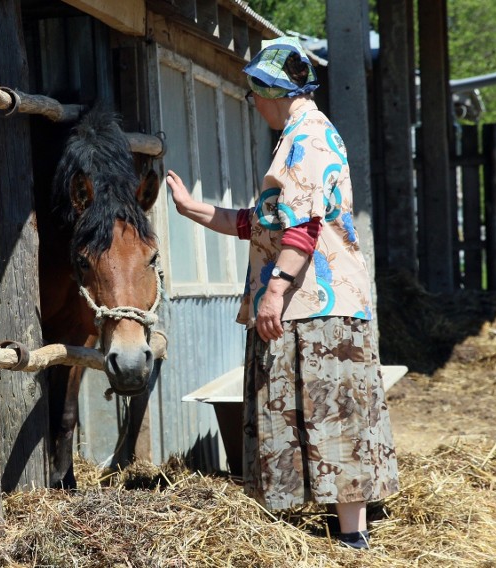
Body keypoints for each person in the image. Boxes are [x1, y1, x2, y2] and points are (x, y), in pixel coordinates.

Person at [165, 36, 399, 550]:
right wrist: (193, 210)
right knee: (310, 411)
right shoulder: (297, 136)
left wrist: (273, 293)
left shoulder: (308, 140)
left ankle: (351, 537)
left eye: (255, 91)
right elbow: (262, 223)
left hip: (317, 307)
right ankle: (318, 531)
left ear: (272, 90)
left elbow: (302, 230)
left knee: (332, 412)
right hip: (310, 306)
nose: (252, 101)